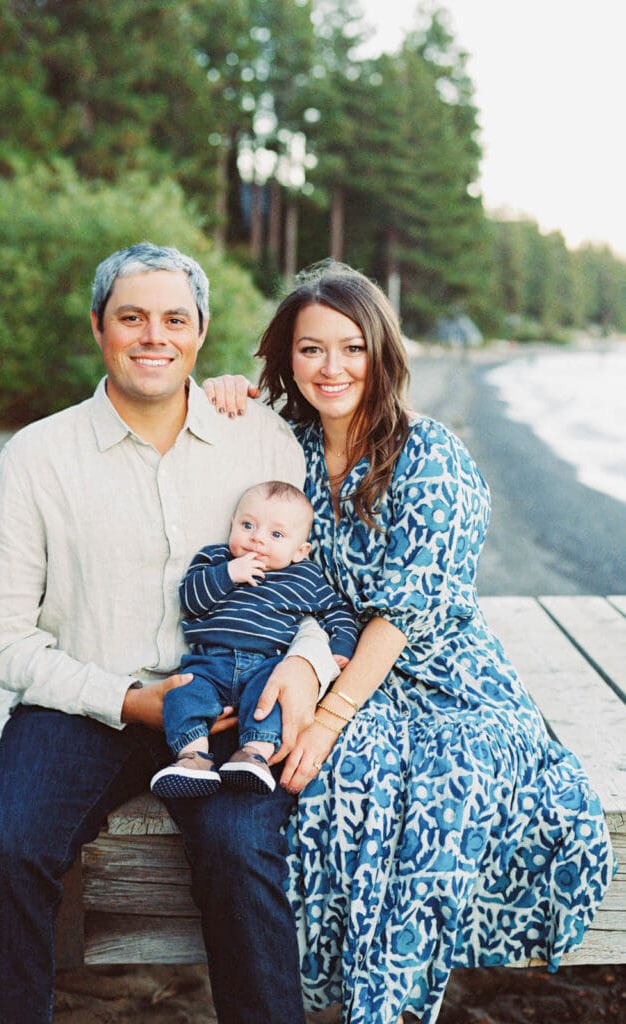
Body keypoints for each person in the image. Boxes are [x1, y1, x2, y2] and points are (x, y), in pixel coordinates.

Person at [203, 261, 616, 1024]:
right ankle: (337, 996)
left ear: (383, 354)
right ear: (286, 358)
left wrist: (329, 718)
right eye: (310, 349)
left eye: (351, 347)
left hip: (442, 675)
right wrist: (227, 392)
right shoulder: (278, 449)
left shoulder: (428, 454)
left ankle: (386, 1009)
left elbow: (406, 612)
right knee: (335, 784)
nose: (331, 367)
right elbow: (199, 447)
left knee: (442, 785)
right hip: (331, 662)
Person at [0, 242, 339, 1024]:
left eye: (174, 319)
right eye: (131, 317)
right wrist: (131, 700)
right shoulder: (35, 456)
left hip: (236, 706)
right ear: (98, 326)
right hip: (87, 703)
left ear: (200, 333)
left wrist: (304, 670)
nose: (152, 336)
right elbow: (1, 635)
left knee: (242, 854)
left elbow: (316, 591)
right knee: (5, 847)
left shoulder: (261, 440)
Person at [151, 480, 357, 798]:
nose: (257, 538)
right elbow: (190, 600)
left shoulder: (304, 575)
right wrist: (229, 574)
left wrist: (340, 647)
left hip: (266, 664)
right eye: (248, 525)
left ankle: (253, 754)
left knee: (271, 702)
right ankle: (192, 757)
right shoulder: (216, 560)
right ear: (232, 524)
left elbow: (336, 611)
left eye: (276, 535)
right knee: (182, 694)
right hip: (209, 661)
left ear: (299, 550)